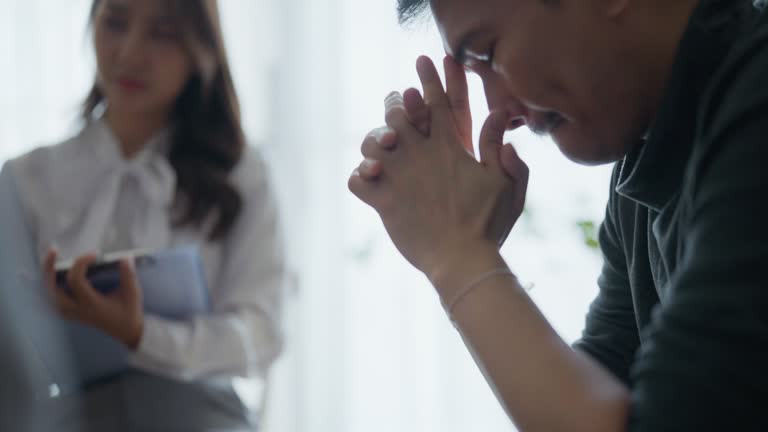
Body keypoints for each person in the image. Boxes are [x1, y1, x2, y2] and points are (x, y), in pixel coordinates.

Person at [349, 0, 768, 430]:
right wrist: (464, 255)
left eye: (489, 54)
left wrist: (457, 254)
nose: (498, 112)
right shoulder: (645, 166)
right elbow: (604, 389)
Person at [4, 0, 286, 430]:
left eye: (163, 33)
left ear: (202, 50)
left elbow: (260, 335)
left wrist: (142, 335)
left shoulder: (241, 175)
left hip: (201, 416)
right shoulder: (26, 178)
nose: (131, 53)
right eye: (115, 23)